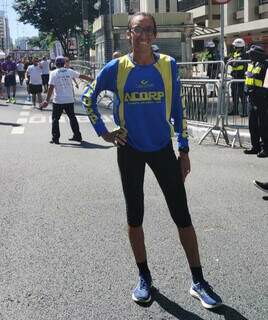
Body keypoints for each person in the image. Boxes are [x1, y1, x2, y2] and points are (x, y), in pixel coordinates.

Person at [81, 12, 222, 309]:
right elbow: (88, 98)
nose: (143, 35)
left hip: (162, 149)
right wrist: (105, 133)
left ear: (155, 35)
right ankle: (144, 277)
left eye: (148, 30)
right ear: (128, 35)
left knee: (182, 215)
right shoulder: (116, 67)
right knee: (135, 216)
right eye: (137, 30)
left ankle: (198, 280)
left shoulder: (168, 66)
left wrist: (184, 150)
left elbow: (178, 111)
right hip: (129, 149)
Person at [41, 56, 92, 144]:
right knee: (72, 118)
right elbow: (81, 76)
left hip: (58, 100)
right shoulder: (69, 71)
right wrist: (92, 79)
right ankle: (77, 136)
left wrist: (47, 100)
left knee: (55, 119)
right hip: (69, 99)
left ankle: (55, 138)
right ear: (64, 63)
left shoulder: (53, 73)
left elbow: (51, 87)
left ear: (56, 64)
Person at [244, 45, 268, 158]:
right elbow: (248, 80)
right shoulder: (252, 64)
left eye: (251, 54)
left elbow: (266, 86)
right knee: (252, 124)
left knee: (262, 125)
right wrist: (247, 91)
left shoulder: (266, 65)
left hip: (262, 100)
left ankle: (266, 148)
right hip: (251, 99)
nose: (249, 55)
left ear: (257, 55)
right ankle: (255, 147)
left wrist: (259, 94)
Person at [228, 38, 248, 116]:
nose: (234, 47)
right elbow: (230, 61)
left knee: (242, 96)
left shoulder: (244, 54)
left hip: (241, 77)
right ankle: (235, 110)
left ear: (238, 46)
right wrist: (231, 60)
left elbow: (235, 64)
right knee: (234, 95)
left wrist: (231, 61)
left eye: (235, 46)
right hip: (235, 77)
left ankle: (244, 112)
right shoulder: (236, 53)